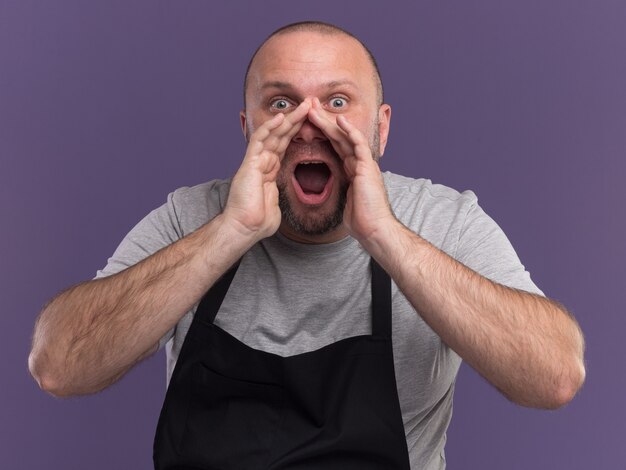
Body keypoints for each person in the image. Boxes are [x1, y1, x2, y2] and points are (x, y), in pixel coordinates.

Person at [29, 21, 586, 469]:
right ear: (247, 127)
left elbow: (555, 376)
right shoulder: (191, 217)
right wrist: (230, 231)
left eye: (338, 102)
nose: (310, 125)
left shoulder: (443, 220)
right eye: (281, 104)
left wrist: (384, 235)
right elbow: (58, 365)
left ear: (381, 129)